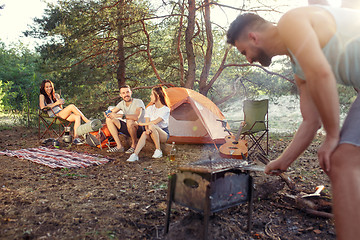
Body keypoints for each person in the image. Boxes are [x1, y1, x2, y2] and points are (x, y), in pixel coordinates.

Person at [227, 6, 360, 240]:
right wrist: (283, 160)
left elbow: (322, 73)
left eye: (244, 51)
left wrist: (332, 136)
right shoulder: (299, 69)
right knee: (344, 161)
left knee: (341, 160)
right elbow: (311, 121)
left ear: (253, 37)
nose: (248, 60)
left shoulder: (291, 21)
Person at [39, 79, 90, 145]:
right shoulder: (42, 96)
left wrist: (60, 103)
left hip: (61, 113)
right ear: (43, 88)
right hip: (55, 115)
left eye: (50, 86)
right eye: (47, 87)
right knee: (71, 106)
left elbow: (60, 108)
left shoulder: (56, 95)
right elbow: (42, 107)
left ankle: (75, 138)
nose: (49, 88)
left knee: (77, 116)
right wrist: (56, 103)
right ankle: (87, 121)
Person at [127, 86, 170, 162]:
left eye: (152, 95)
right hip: (151, 131)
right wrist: (147, 130)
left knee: (152, 125)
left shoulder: (166, 109)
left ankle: (158, 150)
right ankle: (135, 154)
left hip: (163, 134)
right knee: (144, 133)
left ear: (158, 96)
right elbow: (147, 122)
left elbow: (155, 122)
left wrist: (141, 124)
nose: (150, 96)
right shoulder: (149, 108)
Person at [105, 85, 146, 153]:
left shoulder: (138, 102)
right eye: (123, 93)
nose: (126, 95)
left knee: (130, 121)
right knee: (109, 119)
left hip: (140, 128)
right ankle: (119, 146)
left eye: (127, 92)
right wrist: (107, 113)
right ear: (121, 95)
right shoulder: (121, 104)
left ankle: (134, 145)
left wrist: (119, 115)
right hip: (129, 127)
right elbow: (111, 112)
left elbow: (136, 117)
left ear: (131, 92)